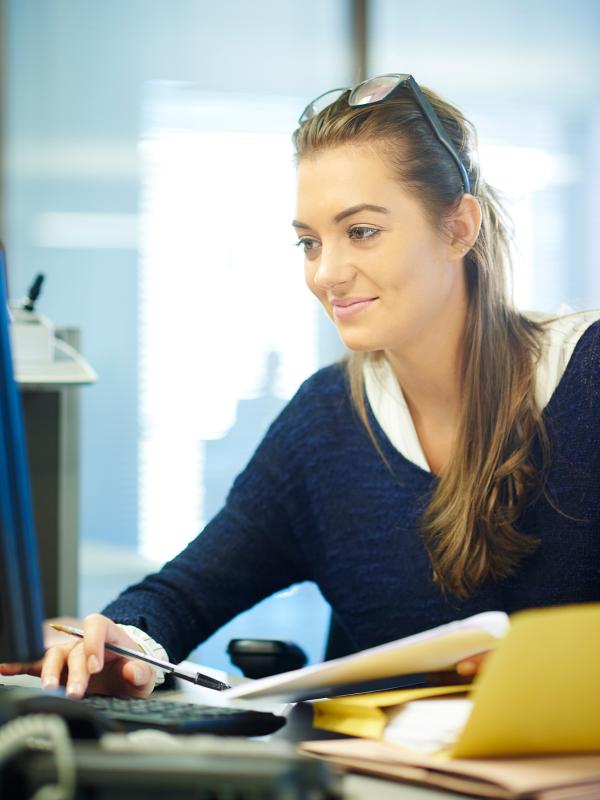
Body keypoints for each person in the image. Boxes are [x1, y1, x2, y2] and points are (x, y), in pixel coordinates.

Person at [3, 74, 599, 700]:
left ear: (457, 229)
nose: (327, 273)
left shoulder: (584, 377)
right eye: (310, 242)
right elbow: (185, 591)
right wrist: (124, 641)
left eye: (362, 231)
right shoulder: (326, 421)